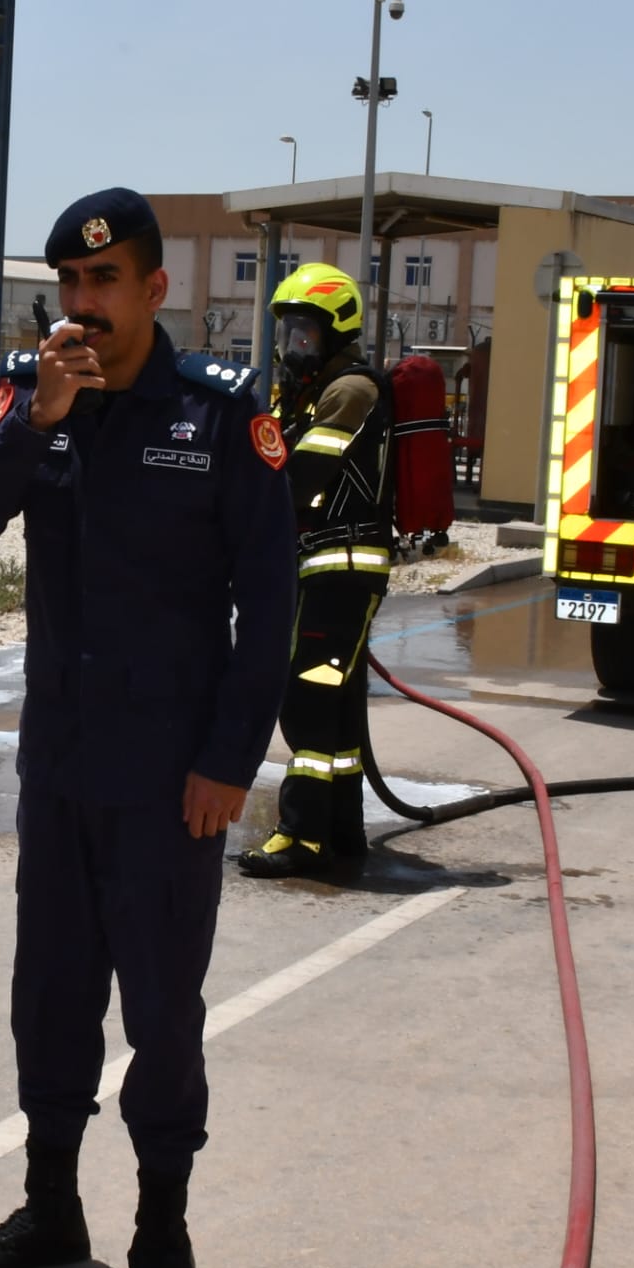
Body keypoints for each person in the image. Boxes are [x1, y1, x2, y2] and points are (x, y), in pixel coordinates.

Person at [0, 187, 296, 1268]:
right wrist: (35, 419)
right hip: (61, 766)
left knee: (160, 1012)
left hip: (168, 779)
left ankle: (162, 1240)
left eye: (105, 281)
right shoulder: (34, 390)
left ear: (153, 289)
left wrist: (230, 760)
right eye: (69, 283)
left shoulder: (218, 412)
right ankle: (51, 1207)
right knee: (48, 994)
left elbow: (269, 601)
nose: (83, 304)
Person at [237, 263, 395, 877]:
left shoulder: (349, 391)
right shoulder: (313, 390)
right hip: (324, 567)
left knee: (307, 696)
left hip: (343, 565)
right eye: (288, 333)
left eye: (304, 333)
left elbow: (297, 479)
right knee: (339, 702)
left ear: (335, 332)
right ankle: (342, 829)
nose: (292, 346)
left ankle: (301, 835)